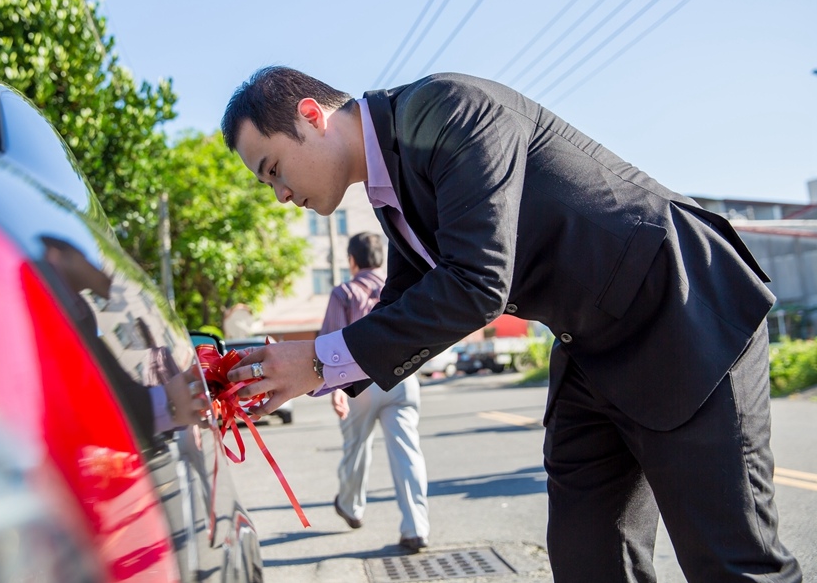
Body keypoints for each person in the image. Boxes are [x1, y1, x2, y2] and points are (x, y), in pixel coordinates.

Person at [221, 67, 800, 582]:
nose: (279, 195)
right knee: (587, 556)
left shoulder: (447, 108)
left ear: (310, 115)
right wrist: (277, 375)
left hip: (680, 311)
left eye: (273, 169)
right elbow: (404, 306)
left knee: (733, 564)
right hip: (591, 347)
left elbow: (476, 284)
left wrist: (319, 360)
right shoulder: (389, 193)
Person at [321, 232, 429, 552]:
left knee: (356, 447)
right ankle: (416, 528)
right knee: (407, 451)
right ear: (381, 259)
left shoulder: (344, 293)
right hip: (403, 377)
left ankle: (352, 507)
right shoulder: (398, 287)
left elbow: (331, 343)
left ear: (352, 260)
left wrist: (334, 389)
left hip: (360, 382)